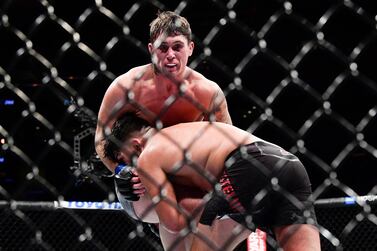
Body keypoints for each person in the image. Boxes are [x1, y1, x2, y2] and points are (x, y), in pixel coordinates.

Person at [95, 10, 251, 250]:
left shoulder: (208, 93)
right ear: (150, 49)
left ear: (190, 48)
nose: (170, 55)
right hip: (140, 184)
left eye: (177, 47)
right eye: (162, 47)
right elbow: (100, 138)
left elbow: (228, 145)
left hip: (189, 181)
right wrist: (120, 170)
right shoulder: (126, 88)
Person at [104, 112, 321, 251]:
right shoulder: (185, 132)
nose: (133, 170)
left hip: (245, 168)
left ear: (136, 145)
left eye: (127, 161)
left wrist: (160, 213)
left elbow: (173, 223)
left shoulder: (148, 155)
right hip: (289, 163)